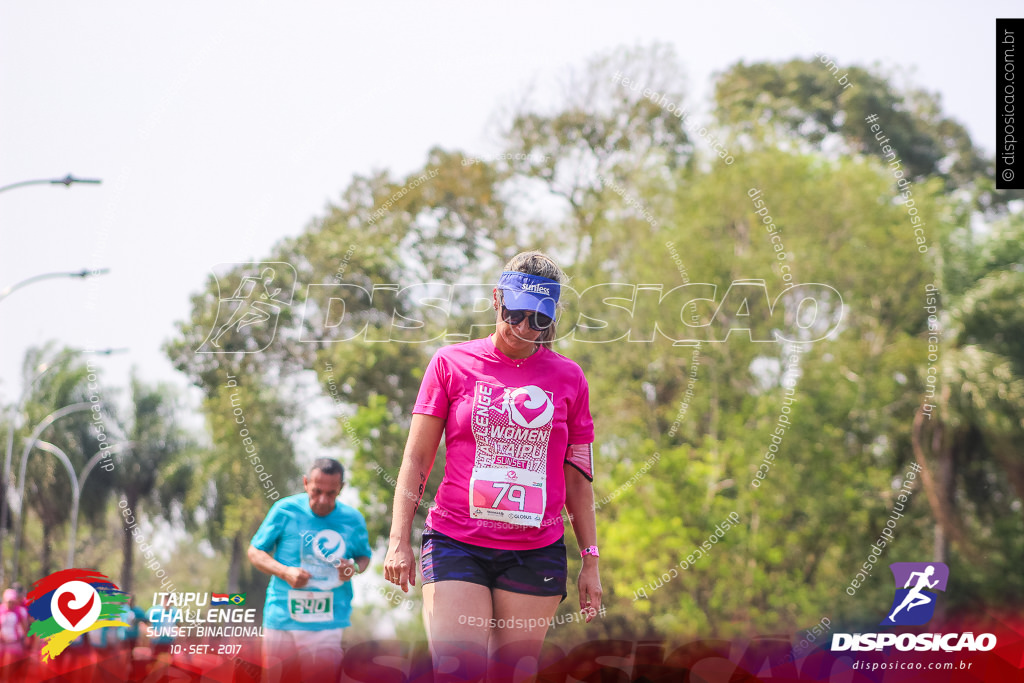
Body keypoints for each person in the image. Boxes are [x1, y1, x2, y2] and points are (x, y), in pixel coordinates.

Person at [384, 250, 602, 683]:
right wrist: (397, 540)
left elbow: (577, 480)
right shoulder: (451, 363)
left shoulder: (570, 378)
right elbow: (417, 458)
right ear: (498, 299)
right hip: (456, 541)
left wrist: (591, 560)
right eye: (518, 313)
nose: (525, 328)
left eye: (539, 320)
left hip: (535, 550)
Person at [248, 458, 372, 682]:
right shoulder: (285, 510)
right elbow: (255, 552)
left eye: (331, 493)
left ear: (341, 488)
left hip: (327, 622)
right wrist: (285, 572)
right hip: (282, 618)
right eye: (316, 491)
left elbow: (364, 557)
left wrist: (352, 568)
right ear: (305, 483)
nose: (323, 500)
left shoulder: (353, 520)